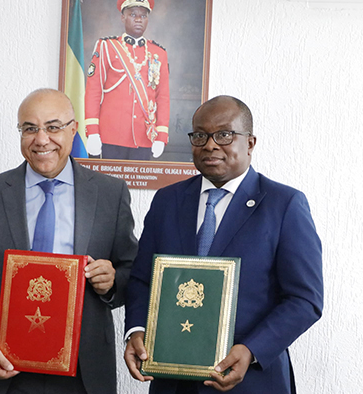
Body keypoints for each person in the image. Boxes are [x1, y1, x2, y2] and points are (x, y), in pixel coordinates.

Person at [123, 95, 323, 393]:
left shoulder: (284, 205)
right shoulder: (168, 200)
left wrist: (252, 350)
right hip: (173, 380)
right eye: (200, 135)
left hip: (250, 380)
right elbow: (142, 279)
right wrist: (136, 329)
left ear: (250, 143)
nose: (210, 145)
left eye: (224, 134)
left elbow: (305, 299)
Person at [0, 88, 138, 394]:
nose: (41, 139)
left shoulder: (109, 194)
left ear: (73, 129)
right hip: (8, 369)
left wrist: (113, 281)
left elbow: (133, 273)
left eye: (53, 127)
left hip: (84, 373)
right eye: (30, 128)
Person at [84, 0, 170, 161]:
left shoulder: (158, 53)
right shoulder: (107, 47)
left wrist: (161, 135)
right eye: (133, 14)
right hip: (111, 136)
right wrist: (93, 131)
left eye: (143, 16)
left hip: (145, 137)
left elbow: (163, 97)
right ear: (122, 17)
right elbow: (93, 92)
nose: (138, 19)